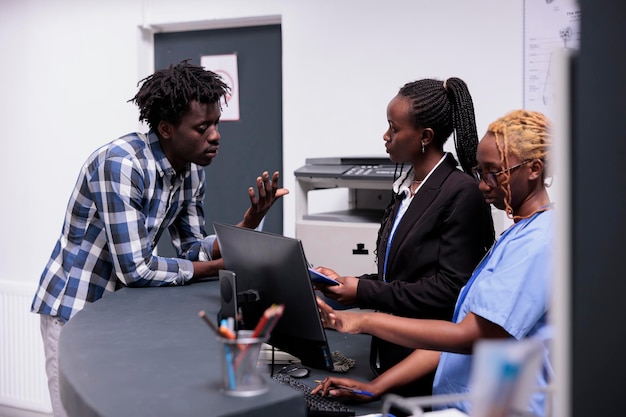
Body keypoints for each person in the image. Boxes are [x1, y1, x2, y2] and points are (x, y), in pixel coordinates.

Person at [30, 60, 288, 417]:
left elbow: (193, 248)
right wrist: (217, 265)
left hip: (120, 315)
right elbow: (135, 270)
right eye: (202, 127)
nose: (215, 136)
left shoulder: (192, 172)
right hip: (75, 312)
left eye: (216, 124)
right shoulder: (121, 164)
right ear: (166, 129)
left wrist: (248, 222)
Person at [313, 109, 553, 417]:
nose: (482, 185)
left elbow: (469, 337)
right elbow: (455, 335)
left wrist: (361, 321)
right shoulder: (519, 233)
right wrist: (376, 387)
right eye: (481, 173)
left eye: (494, 172)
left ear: (534, 169)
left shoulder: (538, 243)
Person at [314, 77, 494, 397]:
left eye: (394, 129)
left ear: (425, 136)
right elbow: (401, 276)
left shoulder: (461, 192)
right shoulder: (408, 189)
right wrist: (348, 283)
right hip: (388, 357)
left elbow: (450, 291)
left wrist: (364, 292)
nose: (386, 136)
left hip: (426, 369)